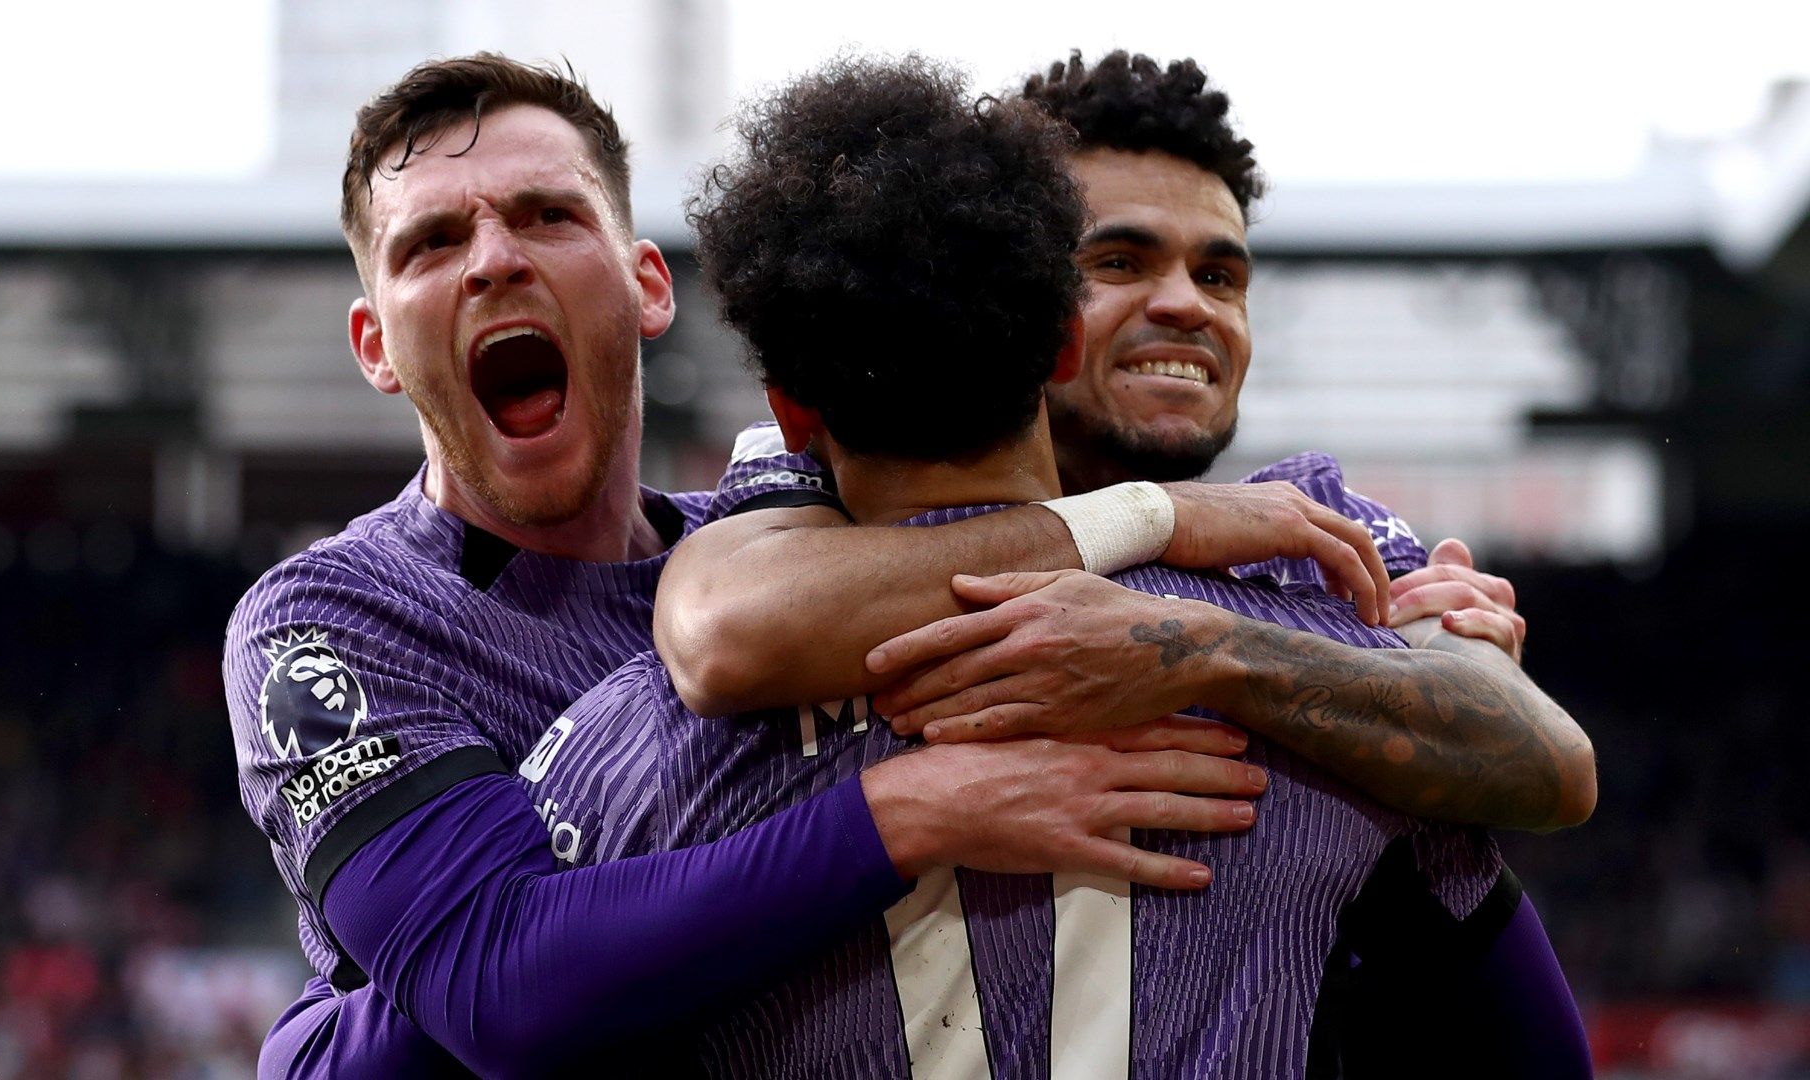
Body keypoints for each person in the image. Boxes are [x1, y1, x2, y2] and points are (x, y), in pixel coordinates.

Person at [245, 52, 1591, 1076]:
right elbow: (505, 976)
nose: (494, 263)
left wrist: (1249, 636)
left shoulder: (640, 741)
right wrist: (919, 801)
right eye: (434, 242)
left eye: (547, 215)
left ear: (659, 291)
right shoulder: (353, 616)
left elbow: (1539, 758)